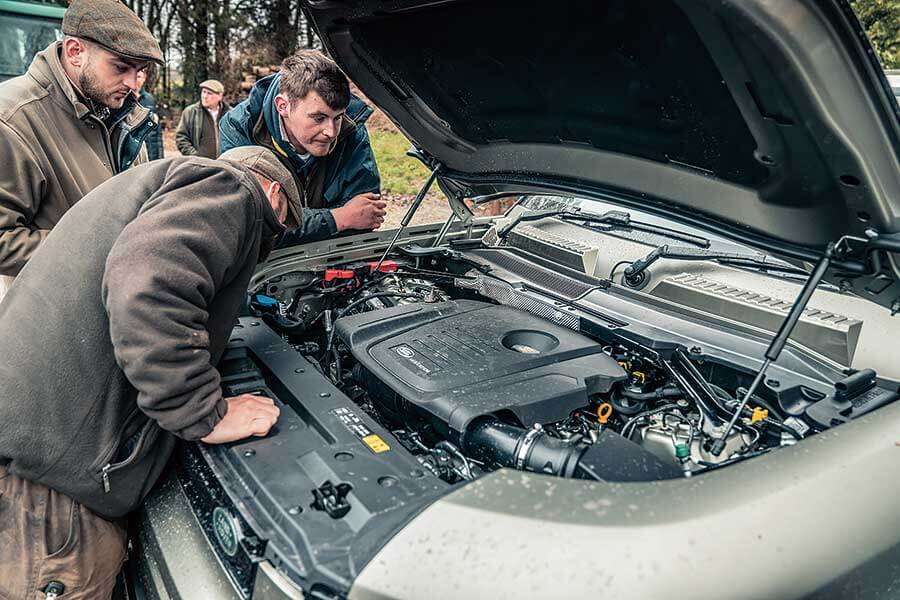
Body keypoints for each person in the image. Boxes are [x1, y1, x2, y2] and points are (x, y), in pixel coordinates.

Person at [0, 146, 301, 600]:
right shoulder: (231, 190)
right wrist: (203, 411)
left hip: (36, 454)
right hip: (54, 503)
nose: (271, 243)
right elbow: (147, 287)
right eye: (280, 227)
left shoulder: (168, 183)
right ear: (274, 193)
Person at [0, 0, 162, 300]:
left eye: (139, 70)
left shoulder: (121, 111)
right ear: (75, 52)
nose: (132, 82)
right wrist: (100, 249)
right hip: (54, 317)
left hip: (117, 303)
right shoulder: (12, 118)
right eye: (121, 67)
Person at [220, 49, 384, 244]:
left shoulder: (352, 128)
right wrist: (338, 218)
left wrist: (289, 221)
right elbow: (248, 226)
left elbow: (365, 218)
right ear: (283, 106)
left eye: (337, 117)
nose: (331, 132)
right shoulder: (240, 128)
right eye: (319, 118)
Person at [176, 78, 230, 158]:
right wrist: (194, 156)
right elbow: (181, 138)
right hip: (200, 166)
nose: (205, 96)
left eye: (209, 93)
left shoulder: (229, 114)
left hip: (225, 164)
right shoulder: (191, 112)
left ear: (220, 96)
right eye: (204, 92)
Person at [136, 68, 164, 160]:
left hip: (150, 153)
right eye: (134, 76)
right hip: (134, 154)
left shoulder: (149, 99)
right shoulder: (123, 99)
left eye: (139, 77)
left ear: (144, 78)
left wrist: (160, 158)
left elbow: (157, 132)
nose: (136, 79)